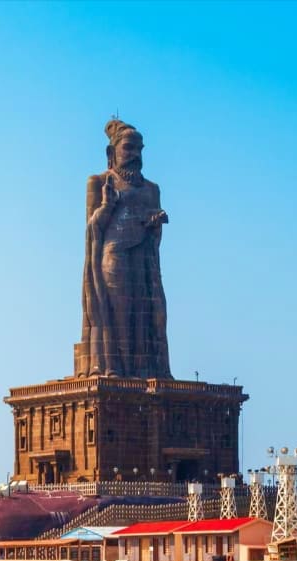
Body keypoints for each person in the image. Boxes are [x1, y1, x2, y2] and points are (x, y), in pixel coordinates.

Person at [76, 119, 172, 378]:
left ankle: (145, 370)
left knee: (148, 317)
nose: (135, 155)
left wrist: (155, 223)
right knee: (116, 316)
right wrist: (107, 206)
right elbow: (92, 228)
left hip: (143, 261)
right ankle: (111, 368)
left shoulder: (152, 189)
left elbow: (156, 232)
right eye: (129, 148)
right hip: (113, 258)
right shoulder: (99, 182)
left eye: (140, 150)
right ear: (112, 152)